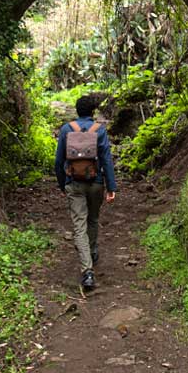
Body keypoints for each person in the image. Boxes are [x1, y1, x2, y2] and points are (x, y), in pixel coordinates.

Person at [54, 94, 117, 290]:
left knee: (79, 225)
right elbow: (106, 159)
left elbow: (58, 161)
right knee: (93, 219)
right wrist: (111, 186)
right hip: (96, 182)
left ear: (77, 110)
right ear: (92, 112)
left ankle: (87, 271)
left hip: (74, 182)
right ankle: (92, 251)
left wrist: (62, 183)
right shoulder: (100, 130)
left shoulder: (66, 129)